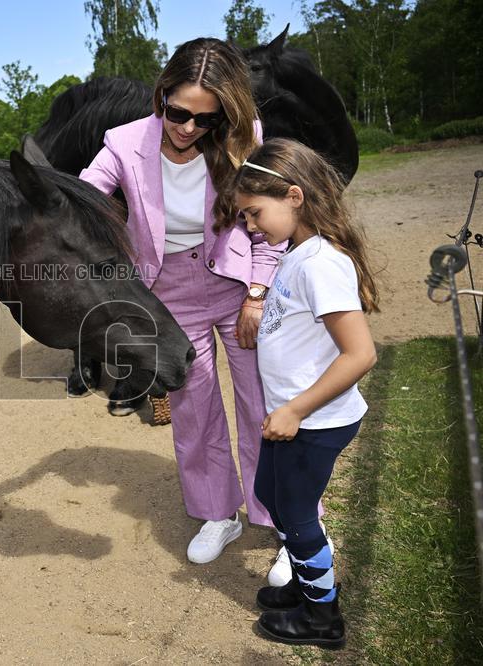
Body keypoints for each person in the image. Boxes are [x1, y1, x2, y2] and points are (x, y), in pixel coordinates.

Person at [78, 37, 288, 569]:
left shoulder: (246, 138)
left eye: (205, 120)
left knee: (262, 402)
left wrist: (259, 295)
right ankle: (219, 512)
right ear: (161, 95)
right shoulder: (124, 144)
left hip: (238, 283)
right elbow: (81, 197)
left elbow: (269, 230)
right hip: (167, 294)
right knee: (192, 409)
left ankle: (284, 515)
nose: (189, 128)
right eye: (178, 113)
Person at [232, 137, 379, 649]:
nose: (251, 227)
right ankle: (303, 580)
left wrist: (294, 408)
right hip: (293, 416)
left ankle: (322, 616)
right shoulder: (295, 254)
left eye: (254, 213)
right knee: (273, 496)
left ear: (294, 196)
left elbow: (360, 354)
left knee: (295, 513)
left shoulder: (320, 263)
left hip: (315, 420)